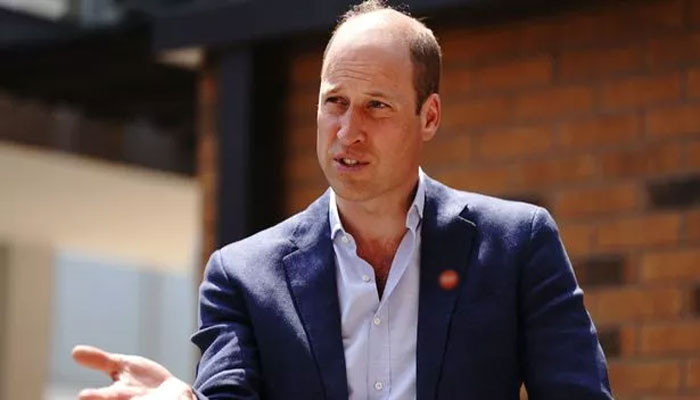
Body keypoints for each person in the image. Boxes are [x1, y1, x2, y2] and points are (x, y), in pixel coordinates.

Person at [73, 1, 613, 399]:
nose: (348, 131)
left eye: (377, 106)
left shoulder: (518, 246)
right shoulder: (242, 276)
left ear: (429, 116)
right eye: (335, 102)